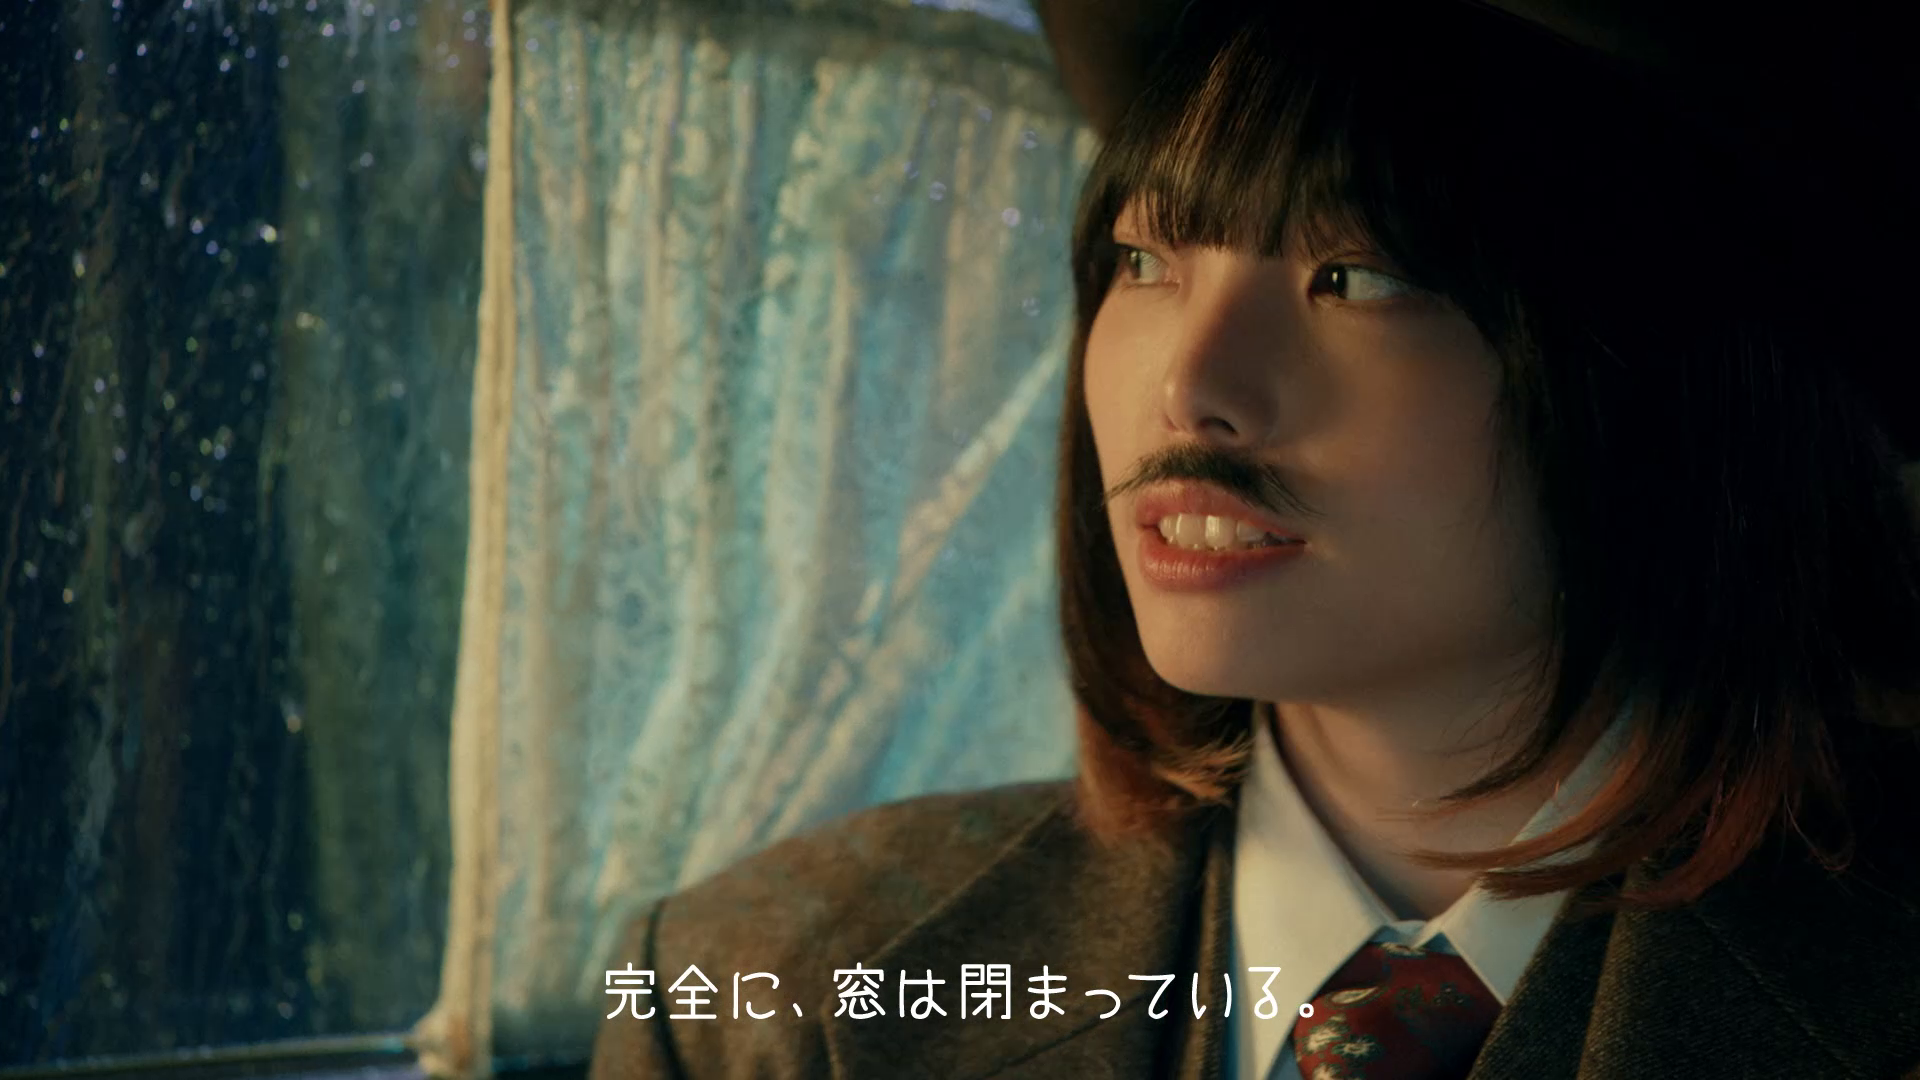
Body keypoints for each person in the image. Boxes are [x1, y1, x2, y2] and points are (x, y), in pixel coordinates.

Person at [589, 1, 1920, 1076]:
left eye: (1357, 277)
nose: (1192, 384)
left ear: (1676, 381)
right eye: (1146, 261)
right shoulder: (771, 1000)